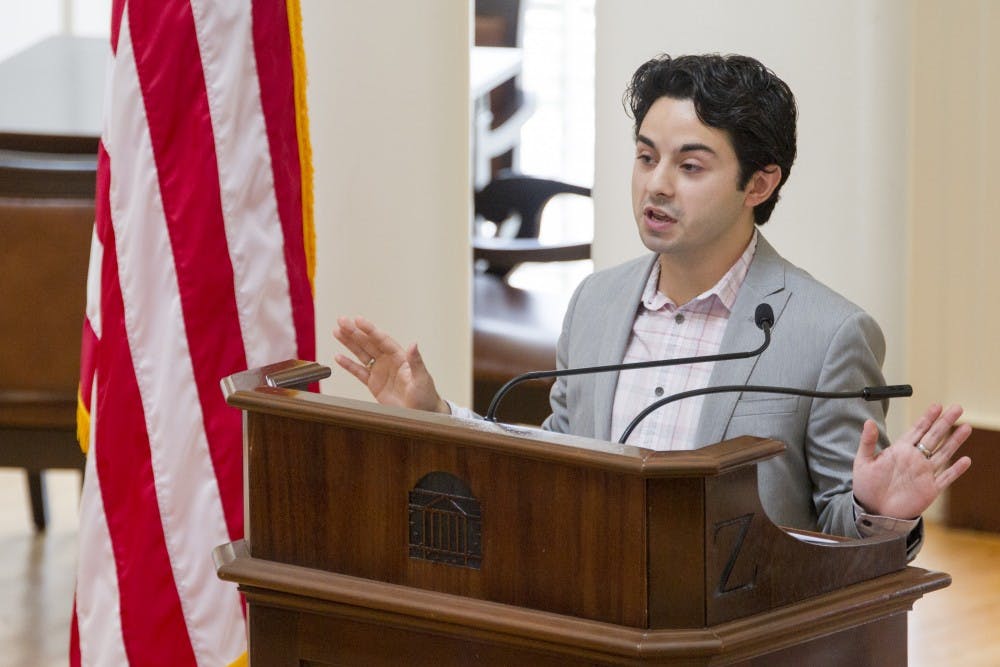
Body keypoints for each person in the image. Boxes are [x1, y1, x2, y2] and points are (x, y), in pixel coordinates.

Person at [334, 54, 971, 558]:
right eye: (645, 157)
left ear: (759, 183)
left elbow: (838, 538)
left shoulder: (828, 333)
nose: (656, 184)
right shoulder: (596, 302)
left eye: (690, 166)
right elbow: (556, 457)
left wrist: (879, 511)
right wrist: (434, 416)